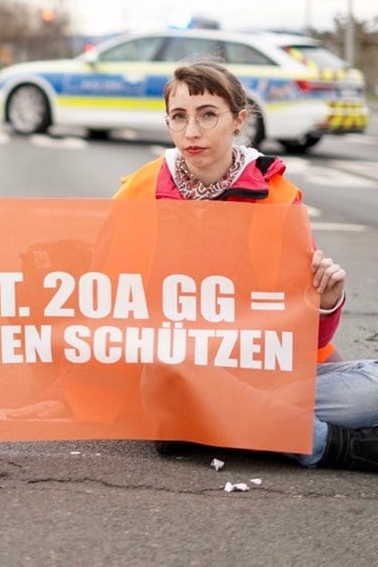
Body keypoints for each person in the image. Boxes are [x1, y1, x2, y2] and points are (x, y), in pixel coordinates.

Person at [113, 60, 378, 472]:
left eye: (207, 115)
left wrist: (327, 301)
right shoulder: (137, 194)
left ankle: (222, 424)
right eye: (178, 117)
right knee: (182, 371)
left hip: (265, 375)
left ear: (238, 121)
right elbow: (105, 306)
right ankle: (329, 444)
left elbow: (301, 338)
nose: (192, 132)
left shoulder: (279, 199)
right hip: (173, 373)